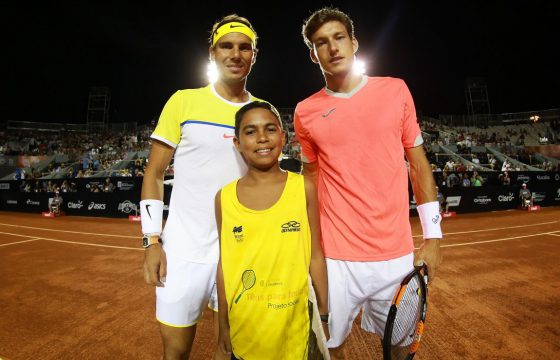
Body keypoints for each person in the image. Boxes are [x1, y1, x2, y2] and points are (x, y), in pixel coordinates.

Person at [295, 7, 443, 358]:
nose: (332, 48)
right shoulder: (306, 111)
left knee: (401, 349)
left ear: (354, 43)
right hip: (335, 259)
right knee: (325, 351)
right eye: (321, 43)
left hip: (394, 256)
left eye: (338, 38)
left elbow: (417, 164)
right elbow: (310, 182)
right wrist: (309, 250)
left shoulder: (395, 91)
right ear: (313, 54)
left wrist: (433, 238)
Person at [140, 14, 263, 359]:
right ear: (212, 53)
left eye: (244, 48)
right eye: (227, 46)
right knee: (175, 353)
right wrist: (151, 241)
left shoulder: (262, 112)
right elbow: (154, 173)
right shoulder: (183, 101)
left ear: (254, 55)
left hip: (240, 252)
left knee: (231, 349)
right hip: (183, 252)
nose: (235, 54)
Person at [215, 101, 329, 359]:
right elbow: (225, 265)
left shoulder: (304, 187)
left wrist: (323, 313)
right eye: (250, 131)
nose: (262, 138)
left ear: (283, 136)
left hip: (294, 330)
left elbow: (315, 255)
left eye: (270, 129)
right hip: (246, 330)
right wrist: (222, 323)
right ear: (237, 143)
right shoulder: (223, 198)